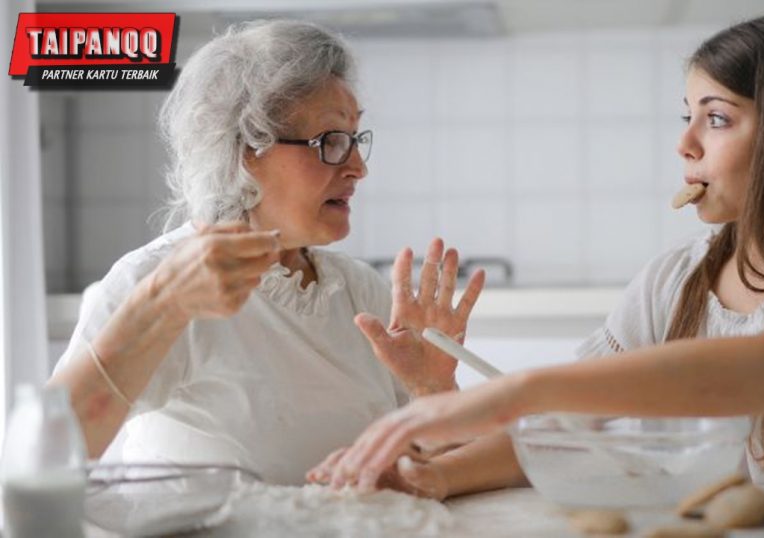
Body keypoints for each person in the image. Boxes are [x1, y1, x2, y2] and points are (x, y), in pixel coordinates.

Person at [310, 12, 764, 494]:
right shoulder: (674, 280)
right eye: (686, 115)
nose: (684, 144)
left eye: (716, 117)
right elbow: (571, 428)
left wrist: (520, 388)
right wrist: (436, 474)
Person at [47, 20, 483, 485]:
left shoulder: (358, 291)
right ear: (242, 151)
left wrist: (433, 390)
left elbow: (429, 470)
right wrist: (160, 306)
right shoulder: (157, 278)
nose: (359, 167)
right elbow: (48, 453)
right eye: (330, 142)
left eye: (355, 139)